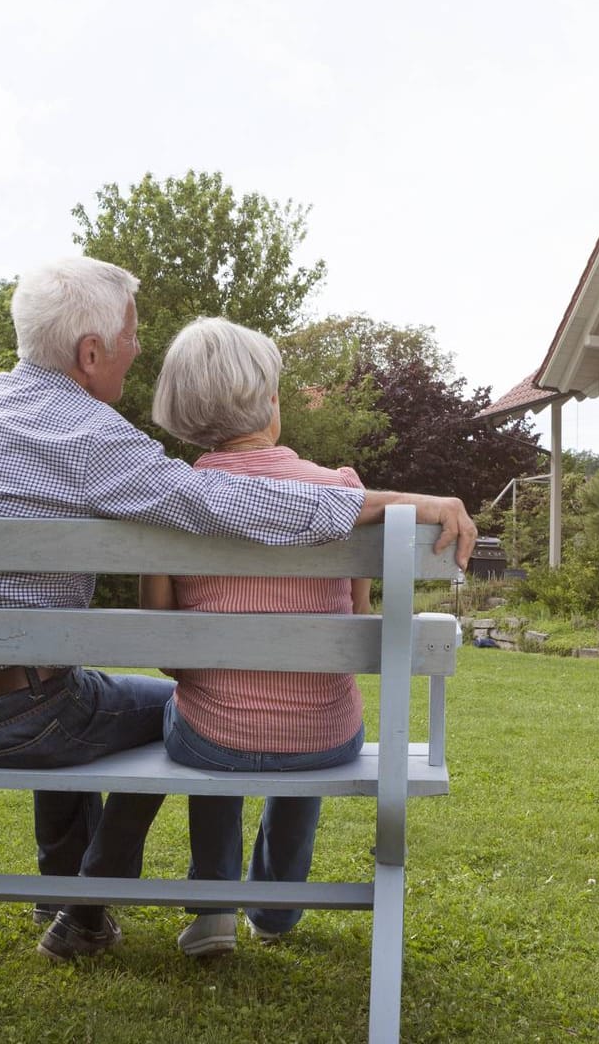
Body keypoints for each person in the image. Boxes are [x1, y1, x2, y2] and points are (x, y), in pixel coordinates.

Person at [0, 256, 476, 962]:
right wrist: (403, 503)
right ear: (90, 352)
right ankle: (85, 910)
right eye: (131, 334)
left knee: (93, 694)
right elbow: (226, 503)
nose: (139, 347)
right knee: (161, 707)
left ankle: (70, 898)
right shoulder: (89, 435)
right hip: (17, 716)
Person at [142, 316, 375, 958]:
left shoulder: (171, 502)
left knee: (198, 718)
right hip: (323, 737)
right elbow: (355, 627)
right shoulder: (344, 494)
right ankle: (275, 909)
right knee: (306, 730)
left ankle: (212, 908)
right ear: (271, 404)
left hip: (212, 739)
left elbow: (165, 654)